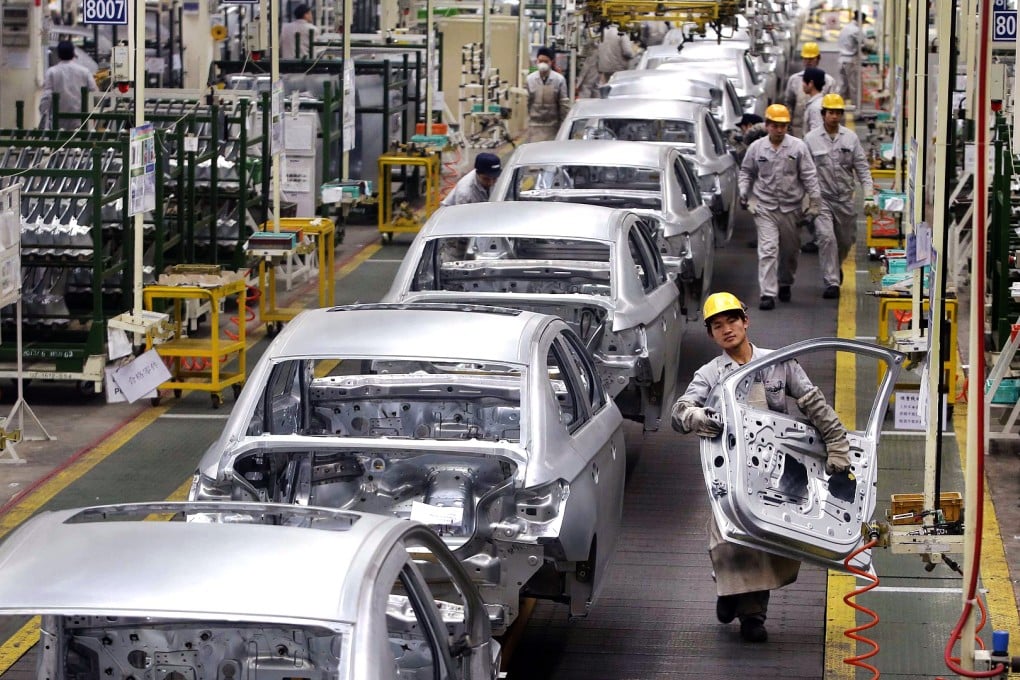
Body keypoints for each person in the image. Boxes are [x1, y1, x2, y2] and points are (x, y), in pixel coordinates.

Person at [671, 291, 851, 644]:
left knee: (767, 540)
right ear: (711, 335)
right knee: (727, 538)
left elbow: (814, 402)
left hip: (776, 467)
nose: (727, 330)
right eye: (717, 326)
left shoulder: (780, 363)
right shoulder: (710, 374)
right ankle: (731, 593)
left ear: (746, 321)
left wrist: (839, 445)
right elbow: (680, 411)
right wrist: (696, 417)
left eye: (732, 321)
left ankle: (751, 613)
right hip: (731, 470)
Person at [738, 104, 822, 310]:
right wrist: (743, 192)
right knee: (768, 249)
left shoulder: (798, 147)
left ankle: (785, 282)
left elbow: (809, 175)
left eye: (783, 126)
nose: (779, 129)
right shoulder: (756, 148)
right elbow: (746, 172)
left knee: (789, 252)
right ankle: (767, 293)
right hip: (766, 208)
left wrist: (815, 201)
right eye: (775, 125)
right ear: (767, 125)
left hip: (791, 209)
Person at [804, 93, 875, 299]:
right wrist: (805, 201)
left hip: (845, 199)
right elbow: (804, 171)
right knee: (826, 238)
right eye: (830, 112)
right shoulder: (810, 139)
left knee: (846, 240)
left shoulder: (850, 138)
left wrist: (869, 195)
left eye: (837, 113)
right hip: (822, 199)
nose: (834, 116)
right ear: (823, 114)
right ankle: (832, 281)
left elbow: (862, 168)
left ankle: (835, 264)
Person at [40, 40, 98, 131]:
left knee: (59, 143)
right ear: (73, 53)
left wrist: (43, 112)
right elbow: (94, 94)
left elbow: (47, 96)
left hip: (57, 120)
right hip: (80, 119)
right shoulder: (84, 72)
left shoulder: (52, 72)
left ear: (58, 54)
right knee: (79, 143)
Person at [784, 42, 835, 137]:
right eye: (805, 59)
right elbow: (789, 104)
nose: (808, 62)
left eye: (811, 59)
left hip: (820, 129)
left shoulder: (828, 81)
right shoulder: (794, 79)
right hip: (797, 129)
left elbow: (832, 108)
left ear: (818, 59)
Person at [525, 46, 570, 143]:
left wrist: (564, 126)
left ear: (551, 62)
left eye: (546, 61)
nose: (542, 64)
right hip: (534, 126)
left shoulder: (559, 80)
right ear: (536, 61)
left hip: (553, 127)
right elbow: (527, 102)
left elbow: (563, 104)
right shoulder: (530, 79)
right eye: (540, 61)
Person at [837, 11, 863, 108]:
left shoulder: (846, 28)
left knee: (843, 85)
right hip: (850, 61)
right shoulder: (856, 30)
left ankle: (837, 105)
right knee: (854, 86)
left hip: (841, 59)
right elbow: (863, 44)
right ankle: (856, 109)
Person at [801, 67, 827, 135]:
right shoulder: (820, 102)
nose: (802, 85)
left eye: (803, 81)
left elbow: (816, 134)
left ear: (811, 83)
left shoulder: (815, 107)